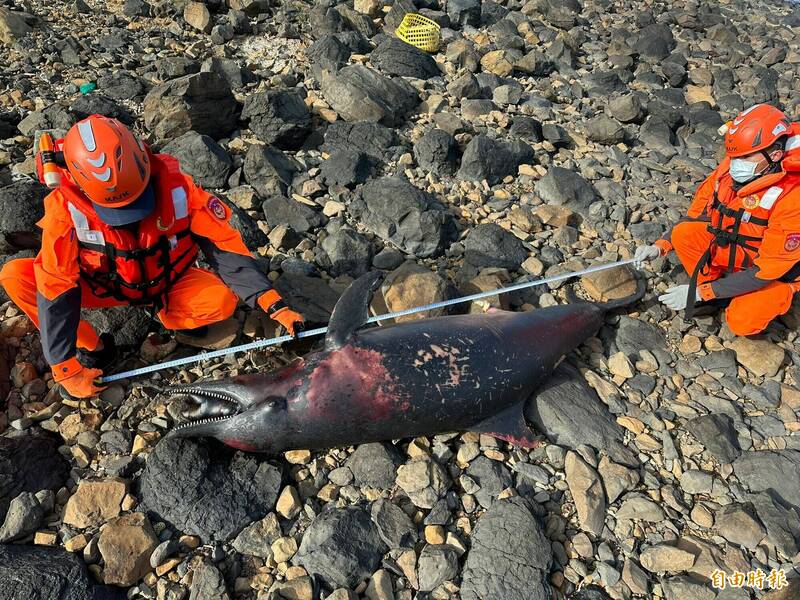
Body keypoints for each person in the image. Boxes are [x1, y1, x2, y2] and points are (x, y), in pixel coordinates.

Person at [0, 115, 305, 400]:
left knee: (220, 301)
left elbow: (223, 247)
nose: (127, 217)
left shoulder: (179, 189)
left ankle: (167, 314)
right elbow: (56, 283)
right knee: (16, 276)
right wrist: (64, 367)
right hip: (102, 286)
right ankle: (94, 347)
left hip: (166, 281)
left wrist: (274, 306)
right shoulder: (64, 209)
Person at [634, 103, 800, 336]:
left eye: (743, 156)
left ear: (774, 154)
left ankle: (784, 292)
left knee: (743, 321)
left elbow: (766, 271)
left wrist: (701, 293)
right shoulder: (733, 168)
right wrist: (659, 247)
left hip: (775, 270)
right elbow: (695, 215)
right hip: (743, 250)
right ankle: (717, 291)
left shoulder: (793, 197)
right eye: (732, 155)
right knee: (683, 234)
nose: (734, 163)